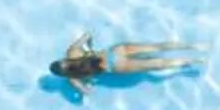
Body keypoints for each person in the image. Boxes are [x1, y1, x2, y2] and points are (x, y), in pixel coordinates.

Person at [51, 33, 205, 99]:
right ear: (61, 60)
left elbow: (88, 92)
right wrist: (89, 48)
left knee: (157, 65)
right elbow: (87, 35)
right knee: (157, 47)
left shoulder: (73, 79)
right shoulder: (72, 52)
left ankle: (193, 62)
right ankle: (193, 46)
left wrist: (88, 82)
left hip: (117, 66)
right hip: (116, 51)